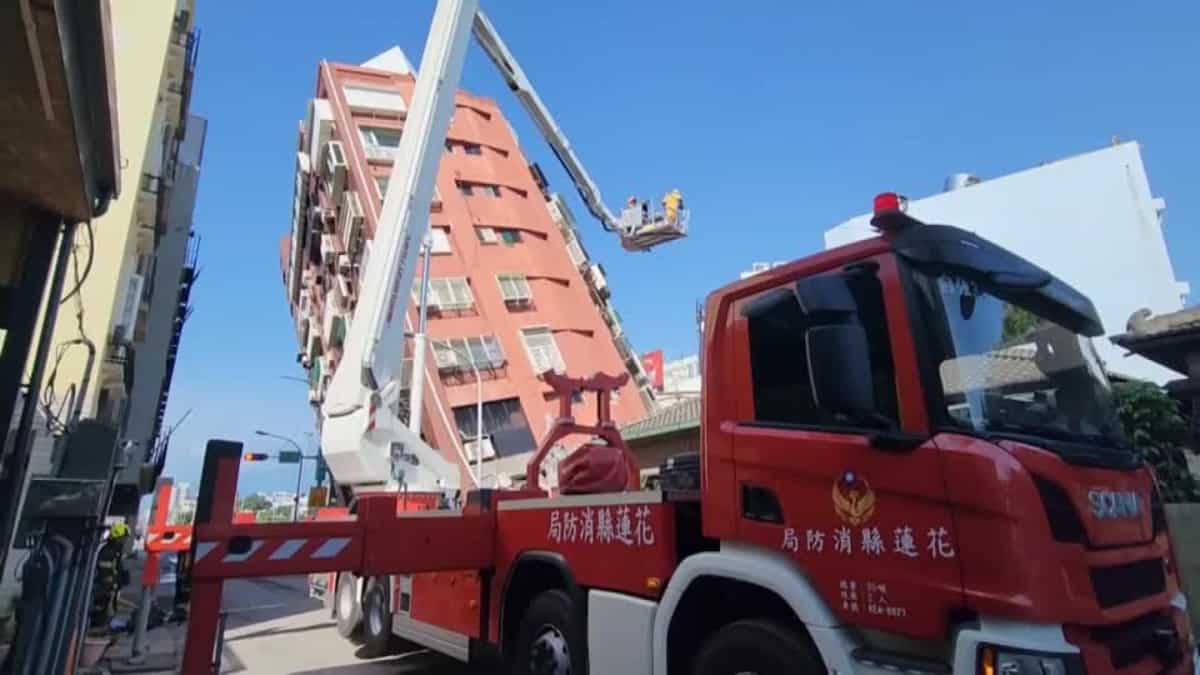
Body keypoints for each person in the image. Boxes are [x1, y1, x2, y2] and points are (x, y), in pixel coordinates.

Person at [90, 521, 130, 630]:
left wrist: (122, 577)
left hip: (110, 587)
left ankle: (104, 625)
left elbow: (116, 567)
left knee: (110, 607)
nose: (124, 541)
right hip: (103, 587)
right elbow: (105, 571)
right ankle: (96, 627)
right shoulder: (107, 551)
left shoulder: (116, 551)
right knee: (101, 607)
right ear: (117, 537)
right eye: (123, 538)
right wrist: (113, 582)